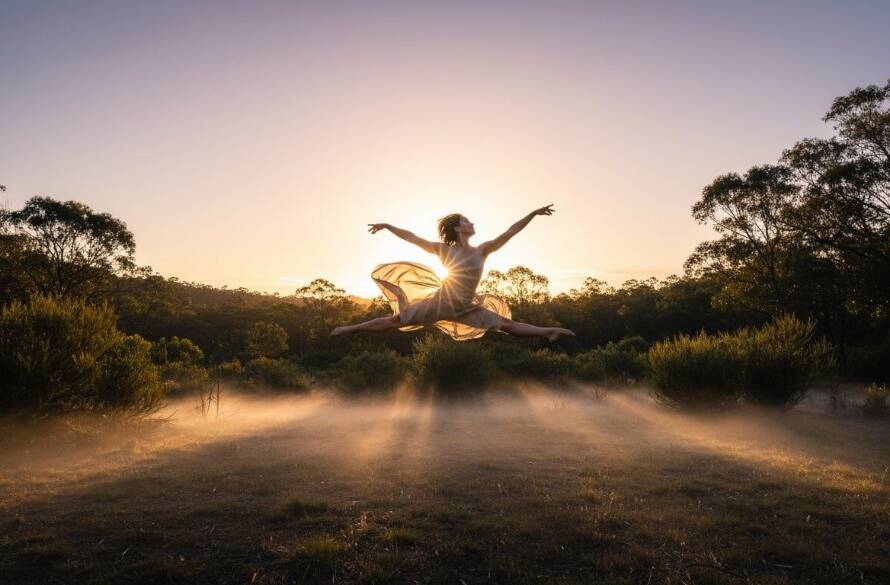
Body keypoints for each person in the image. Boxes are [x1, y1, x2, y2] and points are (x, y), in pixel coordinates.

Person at [330, 204, 576, 342]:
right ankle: (350, 329)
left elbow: (510, 232)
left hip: (465, 307)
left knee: (505, 324)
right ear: (458, 228)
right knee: (395, 321)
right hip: (439, 303)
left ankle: (547, 331)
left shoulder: (483, 250)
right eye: (467, 221)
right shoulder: (444, 251)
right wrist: (388, 226)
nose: (472, 223)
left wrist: (532, 214)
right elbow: (412, 238)